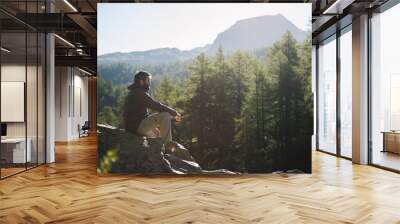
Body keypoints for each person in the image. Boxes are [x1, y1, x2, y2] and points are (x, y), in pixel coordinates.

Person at [123, 71, 181, 147]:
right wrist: (174, 113)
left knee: (156, 135)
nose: (149, 83)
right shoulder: (139, 93)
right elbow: (156, 105)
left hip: (132, 127)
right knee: (165, 115)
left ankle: (161, 149)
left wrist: (153, 128)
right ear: (141, 82)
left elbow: (139, 114)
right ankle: (168, 146)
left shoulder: (134, 92)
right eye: (148, 80)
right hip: (136, 127)